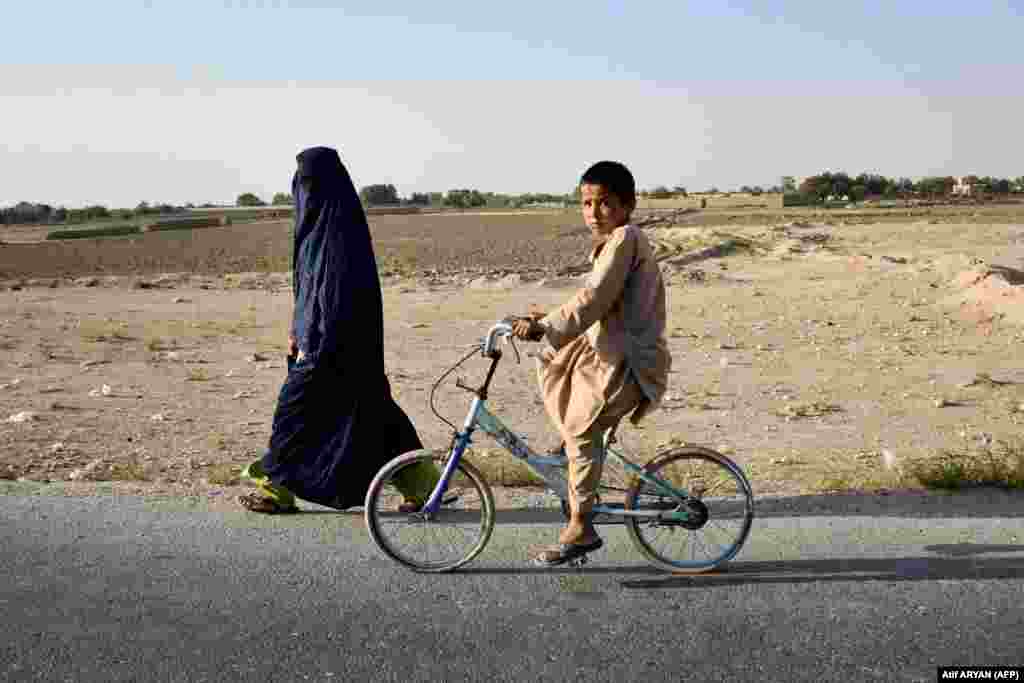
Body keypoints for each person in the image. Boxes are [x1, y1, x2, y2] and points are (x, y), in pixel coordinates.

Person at [239, 146, 439, 514]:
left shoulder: (340, 229)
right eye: (302, 182)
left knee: (293, 416)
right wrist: (297, 329)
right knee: (374, 415)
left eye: (311, 182)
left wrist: (313, 340)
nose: (306, 189)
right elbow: (308, 287)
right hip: (324, 341)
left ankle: (276, 486)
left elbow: (334, 294)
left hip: (333, 344)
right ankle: (423, 483)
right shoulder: (315, 227)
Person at [512, 160, 671, 566]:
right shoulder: (613, 242)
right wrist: (541, 324)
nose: (594, 213)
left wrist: (545, 325)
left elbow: (593, 299)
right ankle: (577, 469)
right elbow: (593, 304)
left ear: (628, 204)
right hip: (611, 352)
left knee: (582, 427)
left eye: (604, 203)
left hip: (629, 362)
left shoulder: (625, 239)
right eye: (586, 203)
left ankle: (581, 526)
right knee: (558, 369)